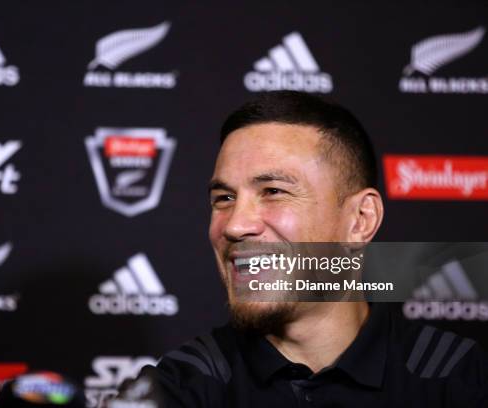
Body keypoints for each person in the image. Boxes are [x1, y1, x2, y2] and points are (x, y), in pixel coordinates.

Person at [111, 91, 488, 407]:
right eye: (224, 197)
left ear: (361, 219)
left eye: (273, 191)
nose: (236, 225)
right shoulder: (177, 390)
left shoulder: (460, 380)